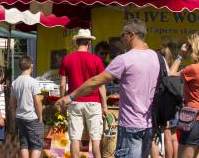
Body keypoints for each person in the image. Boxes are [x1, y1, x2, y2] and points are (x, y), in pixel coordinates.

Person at [61, 19, 160, 158]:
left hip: (130, 125)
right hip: (149, 124)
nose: (121, 39)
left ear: (131, 34)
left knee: (75, 138)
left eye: (122, 35)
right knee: (95, 139)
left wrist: (70, 96)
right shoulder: (157, 57)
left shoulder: (124, 59)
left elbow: (97, 81)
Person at [58, 29, 107, 158]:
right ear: (89, 43)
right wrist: (104, 106)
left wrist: (63, 104)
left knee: (75, 139)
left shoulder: (67, 59)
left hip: (75, 102)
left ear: (76, 43)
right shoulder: (96, 60)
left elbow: (62, 84)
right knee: (96, 141)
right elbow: (101, 85)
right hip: (94, 102)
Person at [10, 55, 43, 158]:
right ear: (31, 66)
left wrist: (15, 113)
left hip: (20, 117)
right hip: (32, 117)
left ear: (20, 67)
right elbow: (37, 102)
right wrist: (40, 117)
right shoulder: (33, 82)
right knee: (36, 145)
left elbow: (12, 102)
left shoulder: (15, 82)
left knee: (24, 144)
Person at [151, 47, 179, 158]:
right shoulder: (174, 69)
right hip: (175, 105)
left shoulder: (164, 70)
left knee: (167, 136)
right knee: (173, 137)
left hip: (166, 105)